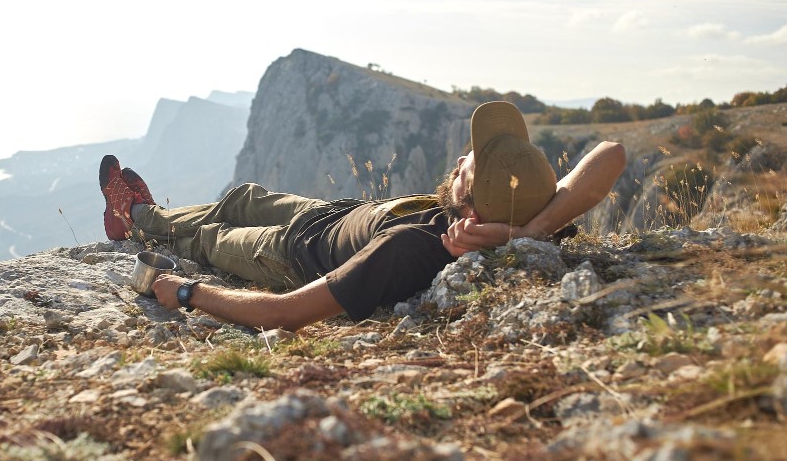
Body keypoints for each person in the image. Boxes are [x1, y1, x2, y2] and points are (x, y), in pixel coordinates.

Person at [100, 101, 626, 332]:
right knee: (242, 195)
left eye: (468, 165)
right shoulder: (531, 209)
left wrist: (187, 294)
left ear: (470, 201)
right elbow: (611, 153)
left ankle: (138, 216)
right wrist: (527, 233)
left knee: (211, 239)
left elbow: (285, 314)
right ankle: (154, 211)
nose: (461, 158)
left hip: (291, 255)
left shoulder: (413, 251)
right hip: (332, 214)